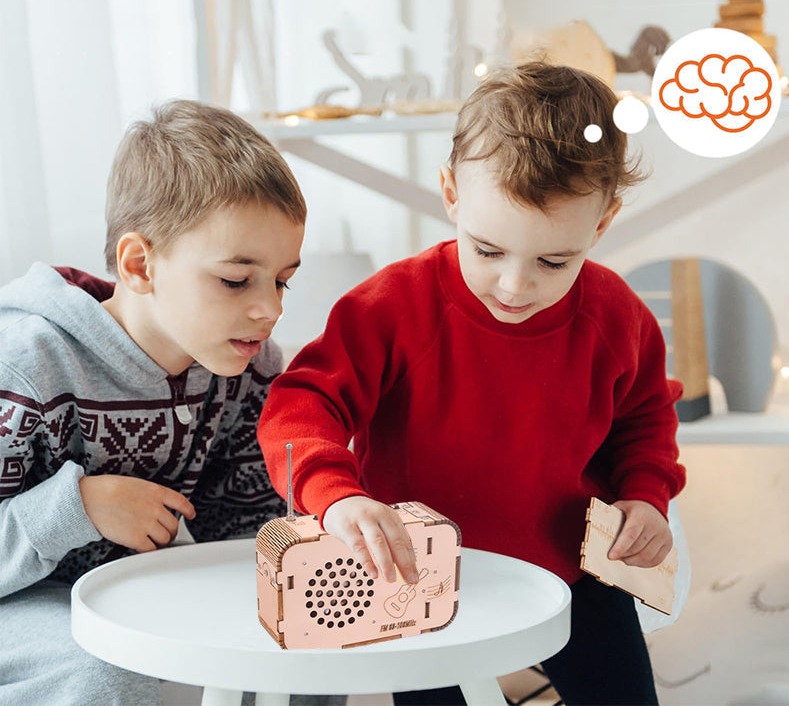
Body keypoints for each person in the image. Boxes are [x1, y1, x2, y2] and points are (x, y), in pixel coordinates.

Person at [258, 61, 687, 705]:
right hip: (421, 576)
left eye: (553, 261)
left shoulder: (616, 315)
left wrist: (646, 496)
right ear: (451, 192)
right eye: (487, 250)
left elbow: (646, 416)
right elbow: (302, 403)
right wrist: (335, 495)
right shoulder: (392, 307)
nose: (515, 286)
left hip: (578, 576)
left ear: (601, 224)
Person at [0, 101, 338, 706]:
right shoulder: (25, 367)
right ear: (139, 265)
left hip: (129, 593)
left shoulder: (248, 368)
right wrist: (79, 507)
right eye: (235, 280)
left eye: (282, 279)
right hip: (20, 606)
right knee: (104, 668)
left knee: (309, 634)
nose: (271, 309)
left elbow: (244, 532)